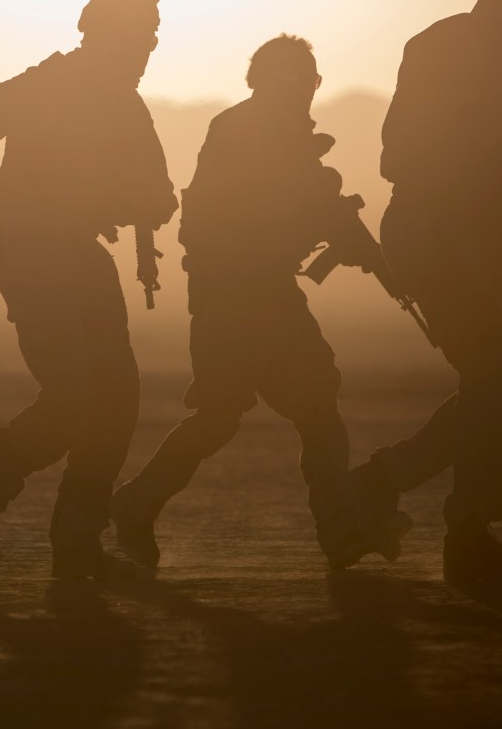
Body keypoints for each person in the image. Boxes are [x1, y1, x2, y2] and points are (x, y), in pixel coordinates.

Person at [110, 35, 411, 571]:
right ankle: (137, 504)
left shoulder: (278, 135)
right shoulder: (245, 131)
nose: (312, 90)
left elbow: (297, 204)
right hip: (233, 295)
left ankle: (337, 527)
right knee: (223, 416)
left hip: (266, 292)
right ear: (283, 82)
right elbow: (256, 210)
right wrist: (321, 214)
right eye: (307, 80)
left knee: (314, 406)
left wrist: (332, 221)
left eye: (315, 80)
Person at [343, 0, 502, 585]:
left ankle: (379, 484)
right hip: (432, 233)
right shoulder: (441, 49)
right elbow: (406, 155)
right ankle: (469, 536)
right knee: (491, 372)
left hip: (466, 238)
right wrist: (485, 188)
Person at [0, 0, 178, 580]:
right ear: (101, 35)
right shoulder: (48, 86)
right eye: (138, 37)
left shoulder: (126, 103)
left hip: (80, 255)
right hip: (33, 258)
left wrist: (143, 202)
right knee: (72, 399)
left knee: (116, 398)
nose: (147, 50)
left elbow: (157, 192)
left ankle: (78, 539)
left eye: (152, 38)